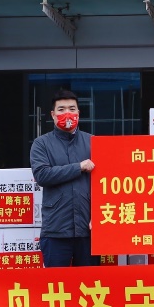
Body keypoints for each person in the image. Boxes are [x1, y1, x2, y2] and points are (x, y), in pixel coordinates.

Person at [30, 89, 97, 266]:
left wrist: (99, 214)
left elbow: (105, 183)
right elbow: (42, 175)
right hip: (56, 230)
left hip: (88, 230)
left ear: (78, 113)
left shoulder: (93, 142)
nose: (67, 113)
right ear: (53, 114)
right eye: (61, 109)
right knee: (56, 282)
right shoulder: (41, 144)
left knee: (89, 281)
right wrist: (78, 167)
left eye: (72, 109)